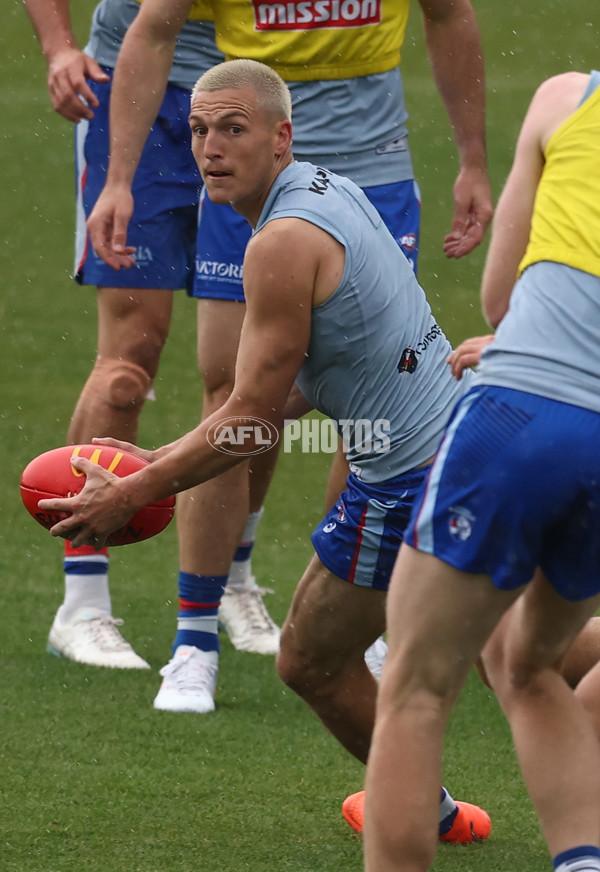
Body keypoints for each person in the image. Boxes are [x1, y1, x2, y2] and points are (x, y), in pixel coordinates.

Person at [39, 58, 492, 845]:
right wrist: (164, 455)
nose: (210, 148)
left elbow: (249, 420)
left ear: (281, 138)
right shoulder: (325, 190)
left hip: (412, 479)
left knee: (326, 661)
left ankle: (430, 812)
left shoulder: (279, 242)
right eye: (199, 130)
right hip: (448, 448)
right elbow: (298, 388)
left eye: (234, 130)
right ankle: (434, 805)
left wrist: (137, 489)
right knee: (507, 647)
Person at [363, 69, 600, 872]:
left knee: (416, 687)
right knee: (526, 664)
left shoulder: (569, 99)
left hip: (523, 413)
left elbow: (499, 299)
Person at [23, 0, 280, 678]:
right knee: (128, 364)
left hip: (253, 104)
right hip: (141, 98)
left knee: (260, 365)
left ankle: (232, 579)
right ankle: (82, 602)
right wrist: (57, 49)